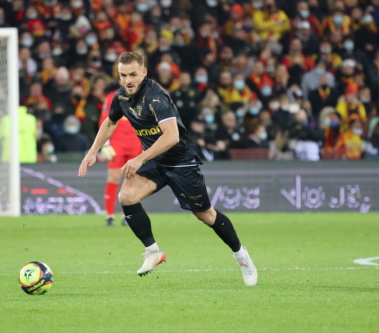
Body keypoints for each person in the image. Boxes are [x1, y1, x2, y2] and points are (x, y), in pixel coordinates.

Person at [79, 52, 257, 286]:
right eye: (123, 75)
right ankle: (153, 251)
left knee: (205, 215)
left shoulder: (156, 97)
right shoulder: (121, 97)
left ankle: (241, 255)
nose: (128, 80)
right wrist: (92, 151)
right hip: (154, 161)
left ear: (143, 72)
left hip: (180, 160)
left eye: (133, 74)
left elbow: (172, 136)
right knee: (127, 196)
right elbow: (110, 122)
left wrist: (139, 158)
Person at [98, 84, 143, 227]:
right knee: (114, 177)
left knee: (132, 178)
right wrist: (105, 144)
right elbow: (105, 120)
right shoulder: (112, 96)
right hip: (117, 142)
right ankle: (110, 215)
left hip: (136, 142)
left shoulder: (143, 96)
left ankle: (127, 215)